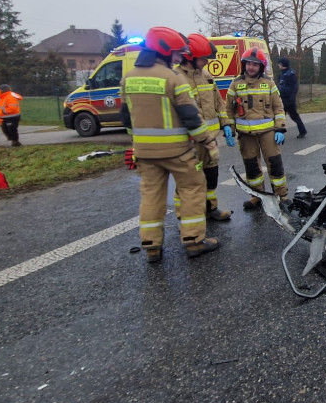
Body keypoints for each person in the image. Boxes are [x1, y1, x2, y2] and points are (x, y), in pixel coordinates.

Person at [120, 26, 220, 263]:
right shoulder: (172, 78)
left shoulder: (129, 78)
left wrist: (137, 144)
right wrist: (207, 141)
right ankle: (194, 241)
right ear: (163, 52)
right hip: (178, 152)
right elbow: (191, 116)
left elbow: (126, 117)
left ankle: (151, 246)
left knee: (151, 196)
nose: (178, 58)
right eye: (175, 54)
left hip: (144, 153)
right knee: (193, 189)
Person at [219, 47, 289, 211]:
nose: (251, 67)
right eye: (249, 64)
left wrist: (280, 129)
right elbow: (228, 109)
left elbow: (278, 107)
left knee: (275, 164)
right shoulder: (235, 84)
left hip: (268, 133)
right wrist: (229, 128)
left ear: (261, 67)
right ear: (244, 65)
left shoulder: (269, 83)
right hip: (245, 135)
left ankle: (282, 196)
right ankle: (257, 196)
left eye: (255, 65)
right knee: (251, 166)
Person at [177, 33, 232, 222]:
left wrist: (226, 125)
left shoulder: (206, 76)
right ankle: (186, 217)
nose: (206, 62)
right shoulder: (177, 78)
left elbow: (218, 102)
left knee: (211, 174)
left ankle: (211, 209)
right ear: (190, 57)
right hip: (189, 141)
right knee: (189, 179)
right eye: (203, 59)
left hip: (210, 139)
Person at [277, 57, 307, 138]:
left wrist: (292, 98)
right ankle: (302, 131)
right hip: (283, 98)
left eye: (279, 64)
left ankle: (278, 133)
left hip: (288, 100)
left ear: (283, 65)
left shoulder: (290, 74)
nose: (278, 65)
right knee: (281, 116)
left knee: (285, 116)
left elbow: (294, 87)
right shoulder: (283, 74)